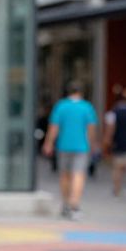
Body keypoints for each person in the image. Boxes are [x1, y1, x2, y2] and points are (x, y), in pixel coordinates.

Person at [41, 80, 99, 220]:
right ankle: (75, 205)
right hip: (82, 146)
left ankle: (66, 204)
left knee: (65, 175)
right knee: (79, 175)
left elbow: (54, 127)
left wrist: (48, 143)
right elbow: (91, 129)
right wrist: (93, 144)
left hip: (63, 145)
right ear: (81, 92)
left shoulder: (61, 106)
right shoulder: (87, 107)